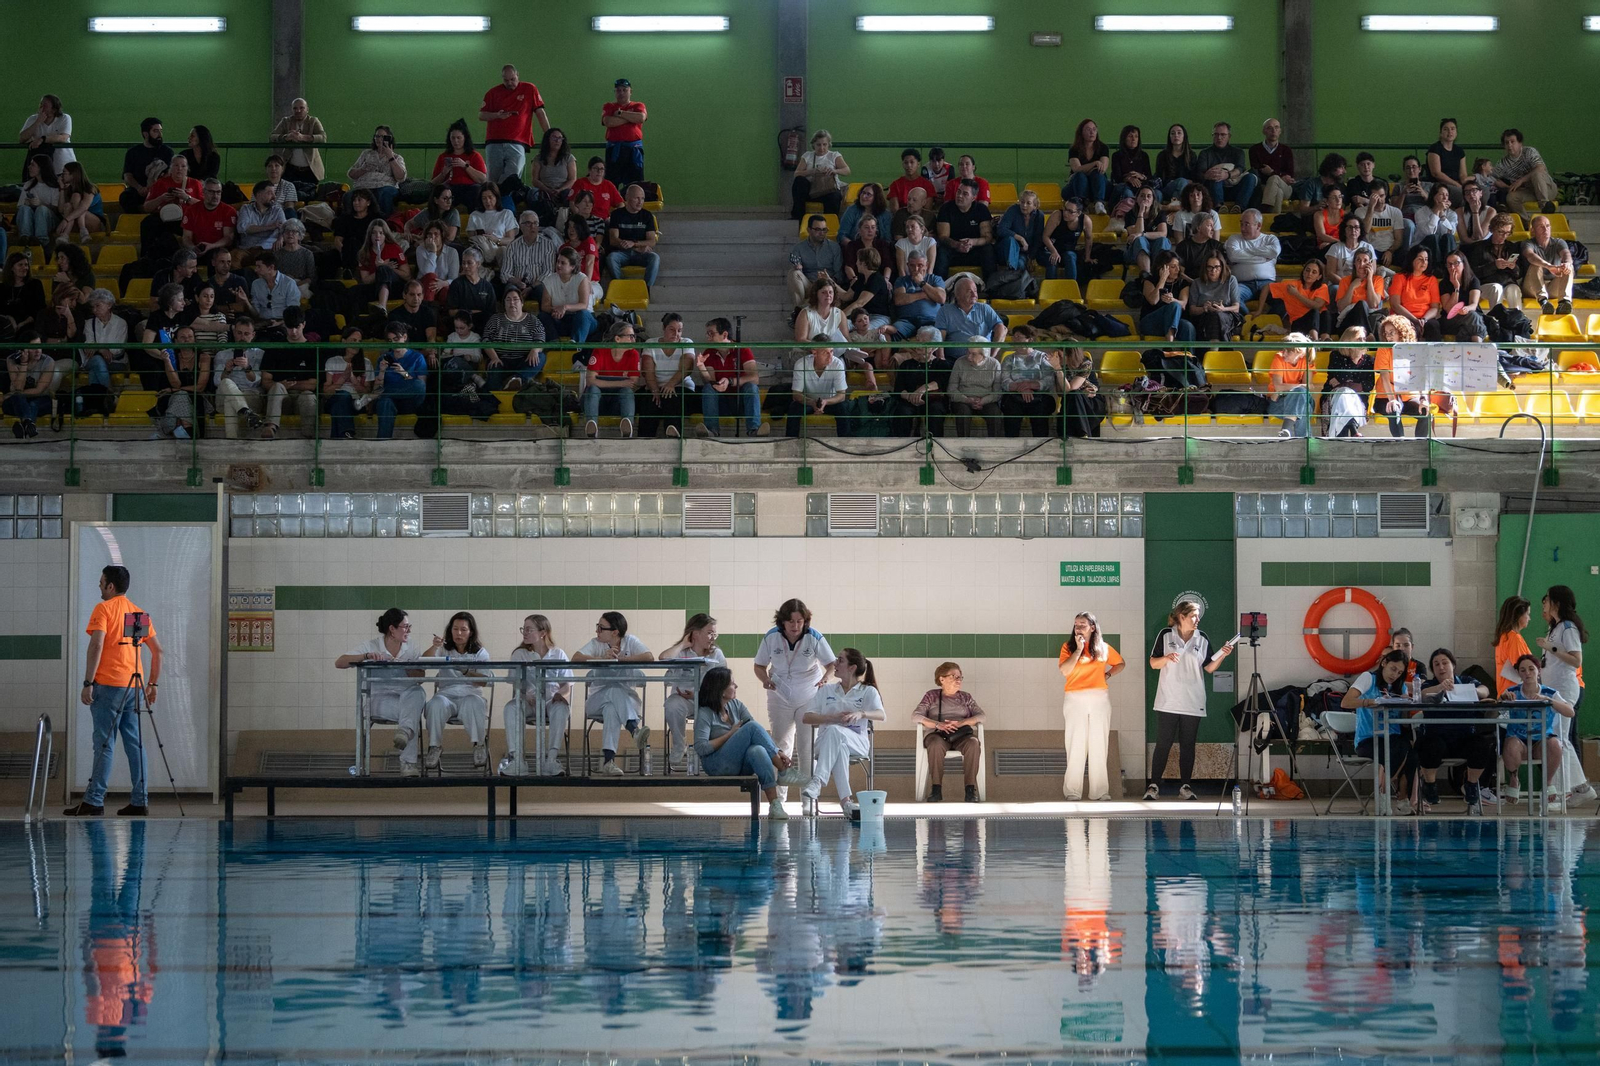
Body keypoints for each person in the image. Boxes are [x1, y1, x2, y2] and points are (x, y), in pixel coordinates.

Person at [65, 565, 163, 816]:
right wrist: (152, 684)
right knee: (134, 744)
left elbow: (97, 644)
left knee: (104, 744)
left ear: (110, 586)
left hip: (108, 686)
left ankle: (94, 800)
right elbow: (157, 651)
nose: (99, 587)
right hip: (134, 686)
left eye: (101, 583)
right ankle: (140, 801)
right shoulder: (136, 613)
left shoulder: (103, 609)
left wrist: (88, 683)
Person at [1145, 601, 1232, 800]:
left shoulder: (1202, 638)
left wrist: (1222, 656)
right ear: (1181, 617)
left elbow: (1209, 668)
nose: (1197, 619)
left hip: (1193, 700)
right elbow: (1153, 663)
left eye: (1198, 615)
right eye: (1193, 615)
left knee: (1188, 744)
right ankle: (1153, 786)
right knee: (1163, 743)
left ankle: (1185, 787)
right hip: (1168, 700)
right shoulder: (1165, 635)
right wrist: (1166, 658)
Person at [754, 599, 837, 799]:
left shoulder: (814, 637)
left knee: (807, 746)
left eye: (800, 621)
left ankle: (808, 799)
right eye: (791, 622)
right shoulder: (771, 637)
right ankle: (779, 800)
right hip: (779, 694)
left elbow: (832, 665)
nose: (796, 626)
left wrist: (826, 678)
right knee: (780, 745)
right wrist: (765, 679)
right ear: (782, 622)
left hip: (809, 694)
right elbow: (759, 665)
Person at [696, 667, 802, 820]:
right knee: (750, 727)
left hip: (738, 764)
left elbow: (758, 733)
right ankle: (783, 770)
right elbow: (701, 748)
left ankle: (775, 805)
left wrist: (778, 751)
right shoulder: (705, 713)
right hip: (716, 765)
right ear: (721, 690)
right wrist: (730, 734)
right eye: (732, 684)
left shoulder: (736, 705)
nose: (736, 686)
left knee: (757, 750)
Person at [336, 608, 426, 777]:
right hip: (379, 700)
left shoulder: (412, 646)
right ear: (392, 629)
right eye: (405, 627)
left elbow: (420, 677)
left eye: (409, 627)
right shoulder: (371, 646)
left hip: (406, 697)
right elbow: (340, 662)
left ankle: (404, 733)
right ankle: (408, 763)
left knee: (418, 693)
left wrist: (406, 667)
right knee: (411, 714)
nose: (408, 631)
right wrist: (367, 656)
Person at [799, 648, 885, 817]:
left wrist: (862, 713)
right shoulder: (826, 691)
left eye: (840, 660)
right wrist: (831, 718)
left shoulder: (868, 691)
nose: (835, 664)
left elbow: (881, 715)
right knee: (838, 743)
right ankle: (846, 802)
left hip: (857, 742)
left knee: (836, 734)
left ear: (852, 668)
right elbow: (806, 718)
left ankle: (817, 781)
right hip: (825, 743)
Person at [572, 611, 654, 775]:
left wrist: (621, 660)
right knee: (613, 690)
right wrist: (602, 658)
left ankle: (608, 762)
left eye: (601, 628)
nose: (597, 631)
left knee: (611, 708)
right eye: (598, 627)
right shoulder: (596, 644)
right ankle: (634, 730)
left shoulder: (630, 641)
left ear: (615, 632)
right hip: (596, 701)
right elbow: (575, 658)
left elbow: (649, 657)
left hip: (626, 704)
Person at [1413, 648, 1494, 812]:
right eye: (1436, 664)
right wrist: (1440, 688)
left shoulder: (1466, 680)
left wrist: (1471, 691)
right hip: (1437, 738)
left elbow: (1485, 690)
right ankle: (1429, 785)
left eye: (1445, 663)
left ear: (1453, 665)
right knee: (1428, 745)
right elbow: (1422, 694)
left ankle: (1471, 785)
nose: (1441, 667)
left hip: (1463, 738)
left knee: (1482, 745)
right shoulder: (1430, 684)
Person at [1058, 612, 1124, 801]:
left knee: (1099, 743)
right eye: (1076, 625)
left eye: (1083, 625)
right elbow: (1064, 670)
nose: (1078, 628)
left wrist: (1109, 674)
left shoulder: (1103, 648)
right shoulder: (1068, 647)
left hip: (1099, 698)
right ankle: (1072, 791)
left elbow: (1120, 663)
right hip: (1075, 698)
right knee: (1075, 743)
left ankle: (1100, 791)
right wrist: (1078, 650)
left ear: (1092, 628)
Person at [1339, 649, 1415, 810]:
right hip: (1368, 739)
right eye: (1393, 669)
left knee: (1411, 752)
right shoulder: (1368, 678)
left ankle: (1400, 797)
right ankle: (1386, 792)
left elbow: (1405, 721)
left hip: (1393, 736)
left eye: (1399, 672)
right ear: (1384, 663)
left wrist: (1406, 703)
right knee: (1400, 749)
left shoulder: (1400, 688)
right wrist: (1370, 702)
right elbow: (1346, 702)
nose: (1394, 675)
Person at [420, 611, 492, 772]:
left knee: (473, 703)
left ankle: (479, 745)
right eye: (455, 629)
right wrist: (435, 646)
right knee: (434, 704)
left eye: (463, 629)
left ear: (471, 632)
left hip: (470, 694)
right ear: (450, 630)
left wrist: (466, 671)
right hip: (446, 695)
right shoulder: (443, 649)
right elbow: (423, 662)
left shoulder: (480, 653)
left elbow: (485, 681)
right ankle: (434, 747)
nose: (458, 633)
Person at [1536, 585, 1589, 806]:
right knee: (1560, 739)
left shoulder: (1568, 628)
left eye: (1547, 599)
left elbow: (1576, 660)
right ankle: (1581, 788)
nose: (1545, 603)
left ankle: (1562, 791)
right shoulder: (1555, 627)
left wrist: (1551, 648)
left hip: (1565, 688)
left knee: (1559, 740)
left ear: (1556, 602)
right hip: (1552, 688)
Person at [503, 614, 572, 777]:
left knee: (562, 708)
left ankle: (551, 760)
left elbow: (567, 684)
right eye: (523, 629)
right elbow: (515, 682)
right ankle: (517, 760)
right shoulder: (519, 654)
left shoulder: (558, 654)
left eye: (529, 629)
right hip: (528, 701)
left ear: (543, 633)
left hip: (550, 700)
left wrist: (560, 695)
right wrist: (525, 695)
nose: (524, 633)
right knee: (510, 708)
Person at [1502, 654, 1574, 807]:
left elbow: (1570, 711)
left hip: (1541, 741)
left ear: (1538, 671)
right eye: (1522, 670)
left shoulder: (1549, 692)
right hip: (1518, 741)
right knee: (1511, 744)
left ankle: (1547, 782)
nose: (1527, 673)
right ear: (1519, 673)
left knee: (1556, 744)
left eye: (1531, 669)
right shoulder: (1512, 691)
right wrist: (1503, 699)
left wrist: (1548, 701)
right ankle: (1514, 779)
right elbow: (1495, 712)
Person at [658, 613, 726, 772]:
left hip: (707, 700)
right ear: (695, 633)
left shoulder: (716, 654)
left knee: (705, 717)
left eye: (714, 633)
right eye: (709, 633)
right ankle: (679, 745)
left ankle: (704, 750)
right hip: (683, 699)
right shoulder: (681, 652)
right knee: (672, 705)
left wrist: (699, 694)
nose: (712, 637)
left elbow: (723, 685)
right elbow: (663, 657)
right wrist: (682, 644)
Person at [912, 661, 985, 802]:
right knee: (935, 745)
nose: (958, 680)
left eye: (960, 677)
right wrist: (938, 724)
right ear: (942, 679)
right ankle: (936, 789)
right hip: (938, 735)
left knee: (973, 743)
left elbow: (982, 716)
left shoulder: (965, 697)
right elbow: (915, 716)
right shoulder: (931, 696)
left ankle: (970, 790)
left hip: (961, 736)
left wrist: (961, 723)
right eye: (954, 676)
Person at [480, 64, 549, 185]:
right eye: (506, 80)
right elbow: (482, 115)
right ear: (502, 79)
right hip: (494, 141)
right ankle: (494, 199)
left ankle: (504, 198)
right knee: (492, 179)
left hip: (517, 141)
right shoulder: (492, 93)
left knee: (513, 177)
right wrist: (497, 115)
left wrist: (549, 134)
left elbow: (540, 113)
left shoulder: (529, 89)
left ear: (518, 75)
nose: (509, 83)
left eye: (512, 79)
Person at [694, 317, 763, 436]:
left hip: (740, 401)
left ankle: (754, 430)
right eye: (707, 334)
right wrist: (701, 367)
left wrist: (731, 381)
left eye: (711, 333)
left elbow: (754, 378)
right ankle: (711, 431)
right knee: (708, 389)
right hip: (722, 402)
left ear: (724, 334)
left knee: (751, 387)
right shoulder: (708, 352)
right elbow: (711, 381)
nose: (707, 337)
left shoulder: (742, 349)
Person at [637, 312, 696, 438]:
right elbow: (648, 370)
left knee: (671, 398)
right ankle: (644, 439)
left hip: (680, 388)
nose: (676, 334)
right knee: (650, 402)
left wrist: (670, 384)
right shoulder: (650, 343)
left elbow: (687, 367)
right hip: (656, 388)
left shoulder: (686, 342)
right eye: (672, 330)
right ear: (663, 328)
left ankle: (673, 435)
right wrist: (654, 390)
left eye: (679, 330)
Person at [999, 326, 1063, 436]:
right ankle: (1010, 445)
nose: (1015, 340)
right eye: (1014, 337)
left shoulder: (1042, 357)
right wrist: (1022, 388)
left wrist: (1030, 386)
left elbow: (1048, 380)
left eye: (1019, 337)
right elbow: (1005, 381)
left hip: (1039, 396)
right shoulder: (1009, 359)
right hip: (1015, 395)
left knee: (1040, 410)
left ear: (1030, 339)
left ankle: (1040, 445)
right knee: (1011, 409)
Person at [582, 321, 641, 437]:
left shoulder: (633, 354)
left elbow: (633, 383)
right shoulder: (600, 350)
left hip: (617, 402)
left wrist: (604, 383)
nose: (633, 340)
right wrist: (621, 383)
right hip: (599, 401)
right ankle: (592, 425)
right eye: (630, 336)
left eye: (634, 336)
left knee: (627, 392)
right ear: (617, 339)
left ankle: (627, 426)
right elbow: (590, 381)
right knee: (593, 389)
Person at [481, 287, 545, 391]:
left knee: (540, 357)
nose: (512, 302)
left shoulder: (532, 320)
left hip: (524, 360)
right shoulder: (495, 319)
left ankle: (518, 378)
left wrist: (534, 350)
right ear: (504, 304)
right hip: (500, 360)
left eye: (515, 299)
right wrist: (494, 357)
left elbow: (540, 339)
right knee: (493, 377)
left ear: (522, 303)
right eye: (508, 299)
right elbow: (486, 340)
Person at [374, 321, 428, 439]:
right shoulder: (383, 358)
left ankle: (380, 395)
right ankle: (382, 443)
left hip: (410, 401)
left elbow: (421, 386)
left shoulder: (417, 357)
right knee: (384, 402)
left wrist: (404, 373)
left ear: (404, 337)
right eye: (390, 340)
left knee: (419, 385)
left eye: (396, 339)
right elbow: (376, 387)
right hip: (391, 400)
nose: (394, 343)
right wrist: (382, 371)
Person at [786, 338, 849, 436]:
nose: (830, 356)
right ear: (814, 353)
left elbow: (842, 395)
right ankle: (790, 443)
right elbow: (796, 394)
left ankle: (845, 444)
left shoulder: (837, 364)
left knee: (843, 407)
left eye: (831, 351)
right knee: (794, 407)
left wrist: (826, 401)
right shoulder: (801, 364)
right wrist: (811, 402)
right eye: (825, 353)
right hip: (808, 402)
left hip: (830, 403)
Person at [1492, 128, 1559, 220]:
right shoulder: (1502, 163)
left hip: (1547, 189)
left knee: (1536, 173)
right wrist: (1507, 187)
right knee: (1511, 197)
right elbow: (1493, 178)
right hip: (1529, 192)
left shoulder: (1529, 151)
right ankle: (1527, 221)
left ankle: (1545, 206)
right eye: (1507, 143)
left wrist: (1521, 180)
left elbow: (1540, 168)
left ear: (1520, 143)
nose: (1510, 145)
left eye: (1512, 142)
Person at [321, 327, 373, 440]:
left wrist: (353, 378)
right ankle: (346, 433)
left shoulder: (366, 363)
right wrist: (342, 378)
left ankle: (340, 437)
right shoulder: (332, 361)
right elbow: (326, 393)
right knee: (343, 396)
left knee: (338, 408)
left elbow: (367, 392)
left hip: (357, 403)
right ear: (344, 341)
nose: (356, 344)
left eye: (359, 342)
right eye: (353, 340)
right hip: (336, 398)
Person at [934, 275, 1006, 357]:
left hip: (982, 360)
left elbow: (1000, 327)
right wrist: (941, 359)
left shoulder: (985, 308)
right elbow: (939, 337)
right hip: (955, 361)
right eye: (969, 291)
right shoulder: (945, 311)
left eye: (975, 291)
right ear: (957, 295)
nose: (974, 294)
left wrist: (992, 355)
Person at [935, 179, 995, 276]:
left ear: (973, 198)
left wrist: (973, 242)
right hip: (953, 249)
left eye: (965, 194)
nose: (959, 196)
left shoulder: (981, 209)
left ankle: (991, 287)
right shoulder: (946, 209)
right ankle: (940, 287)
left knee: (988, 250)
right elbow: (943, 236)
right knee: (941, 251)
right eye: (958, 191)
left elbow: (987, 237)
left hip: (974, 249)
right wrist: (957, 245)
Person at [605, 183, 661, 288]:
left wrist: (634, 244)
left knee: (655, 258)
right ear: (627, 198)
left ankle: (646, 288)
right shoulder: (617, 215)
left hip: (641, 253)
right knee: (611, 258)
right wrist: (626, 244)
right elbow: (613, 239)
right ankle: (621, 285)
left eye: (642, 199)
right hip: (622, 252)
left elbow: (652, 241)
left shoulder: (647, 216)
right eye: (636, 198)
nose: (640, 202)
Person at [4, 334, 60, 438]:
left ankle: (23, 425)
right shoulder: (11, 360)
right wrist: (24, 364)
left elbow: (39, 390)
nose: (38, 350)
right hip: (18, 401)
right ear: (23, 349)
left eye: (39, 346)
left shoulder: (48, 361)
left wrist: (12, 394)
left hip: (41, 399)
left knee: (33, 404)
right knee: (16, 401)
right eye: (33, 348)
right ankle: (29, 425)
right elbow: (19, 387)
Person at [946, 340, 1004, 437]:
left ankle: (995, 445)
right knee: (963, 412)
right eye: (968, 352)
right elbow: (951, 389)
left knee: (995, 413)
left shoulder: (994, 364)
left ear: (983, 355)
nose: (969, 357)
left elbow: (998, 392)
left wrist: (983, 401)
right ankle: (963, 444)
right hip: (963, 399)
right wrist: (967, 400)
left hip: (986, 400)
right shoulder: (960, 362)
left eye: (973, 354)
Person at [1195, 121, 1256, 213]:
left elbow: (1240, 169)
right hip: (1212, 190)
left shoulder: (1238, 152)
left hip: (1234, 188)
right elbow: (1200, 172)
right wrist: (1208, 175)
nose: (1219, 138)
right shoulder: (1205, 153)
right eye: (1216, 134)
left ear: (1229, 136)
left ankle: (1239, 207)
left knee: (1251, 177)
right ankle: (1219, 207)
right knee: (1216, 176)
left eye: (1223, 135)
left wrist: (1227, 175)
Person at [787, 213, 845, 309]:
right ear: (809, 230)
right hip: (809, 284)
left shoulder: (834, 247)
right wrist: (798, 268)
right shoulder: (799, 248)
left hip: (827, 284)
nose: (821, 233)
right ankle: (798, 309)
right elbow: (797, 271)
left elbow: (839, 275)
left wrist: (828, 279)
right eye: (818, 229)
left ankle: (801, 309)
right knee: (793, 273)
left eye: (824, 230)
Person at [539, 247, 596, 343]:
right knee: (543, 316)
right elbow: (544, 306)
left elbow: (583, 305)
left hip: (583, 321)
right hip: (561, 319)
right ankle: (554, 343)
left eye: (563, 263)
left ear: (572, 266)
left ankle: (575, 345)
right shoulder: (549, 279)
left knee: (583, 314)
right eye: (558, 261)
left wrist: (565, 307)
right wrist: (556, 311)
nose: (558, 265)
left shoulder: (582, 279)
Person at [346, 125, 406, 216]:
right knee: (348, 196)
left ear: (389, 139)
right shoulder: (366, 153)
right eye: (377, 136)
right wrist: (363, 169)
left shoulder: (397, 157)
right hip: (364, 186)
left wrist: (390, 157)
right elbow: (351, 174)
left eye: (383, 137)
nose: (379, 139)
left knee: (385, 194)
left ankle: (383, 224)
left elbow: (401, 177)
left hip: (385, 186)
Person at [1469, 213, 1524, 310]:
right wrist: (1494, 266)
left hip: (1507, 283)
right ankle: (1497, 320)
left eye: (1508, 233)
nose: (1504, 236)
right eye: (1501, 232)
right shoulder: (1479, 247)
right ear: (1492, 230)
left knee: (1513, 289)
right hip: (1486, 284)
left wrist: (1513, 267)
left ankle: (1517, 320)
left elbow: (1518, 274)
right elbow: (1473, 273)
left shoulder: (1512, 247)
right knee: (1496, 288)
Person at [790, 130, 850, 220]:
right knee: (799, 181)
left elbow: (847, 170)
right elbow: (797, 174)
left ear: (828, 144)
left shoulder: (834, 155)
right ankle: (798, 217)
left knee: (834, 197)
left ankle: (830, 222)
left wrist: (834, 171)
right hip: (811, 191)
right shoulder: (807, 156)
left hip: (828, 191)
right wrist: (812, 171)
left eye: (824, 144)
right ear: (813, 145)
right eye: (818, 145)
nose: (821, 148)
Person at [1522, 214, 1575, 316]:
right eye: (1541, 227)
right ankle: (1543, 301)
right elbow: (1531, 256)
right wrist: (1548, 266)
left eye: (1547, 226)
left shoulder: (1559, 242)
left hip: (1552, 286)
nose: (1545, 229)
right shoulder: (1527, 243)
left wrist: (1567, 263)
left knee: (1569, 267)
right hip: (1532, 287)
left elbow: (1566, 254)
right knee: (1535, 265)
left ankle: (1564, 303)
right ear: (1533, 230)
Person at [1223, 209, 1279, 304]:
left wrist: (1244, 252)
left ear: (1258, 226)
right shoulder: (1234, 239)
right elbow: (1233, 256)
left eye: (1247, 224)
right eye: (1241, 224)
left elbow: (1274, 252)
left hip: (1267, 283)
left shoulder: (1270, 239)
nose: (1242, 228)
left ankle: (1272, 318)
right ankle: (1245, 318)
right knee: (1231, 296)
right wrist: (1262, 258)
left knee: (1283, 298)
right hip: (1243, 284)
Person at [500, 210, 562, 295]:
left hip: (537, 284)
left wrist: (531, 287)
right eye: (528, 223)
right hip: (518, 284)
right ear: (521, 227)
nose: (533, 226)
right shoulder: (512, 246)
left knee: (542, 290)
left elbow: (548, 272)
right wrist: (517, 282)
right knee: (511, 290)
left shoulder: (548, 244)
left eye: (535, 223)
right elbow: (505, 273)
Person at [1266, 259, 1332, 339]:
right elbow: (1267, 287)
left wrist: (1297, 294)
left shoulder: (1322, 287)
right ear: (1303, 272)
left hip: (1316, 324)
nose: (1309, 274)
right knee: (1314, 312)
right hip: (1298, 324)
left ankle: (1325, 339)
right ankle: (1315, 341)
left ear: (1319, 277)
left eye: (1314, 272)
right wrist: (1259, 310)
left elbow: (1317, 305)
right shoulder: (1292, 285)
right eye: (1307, 270)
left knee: (1325, 313)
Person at [1184, 253, 1242, 342]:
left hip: (1226, 315)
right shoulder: (1197, 283)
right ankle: (1216, 350)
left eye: (1217, 267)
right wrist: (1204, 308)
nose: (1213, 270)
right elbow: (1192, 310)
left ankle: (1213, 349)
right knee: (1213, 316)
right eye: (1209, 267)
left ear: (1222, 267)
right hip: (1204, 317)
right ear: (1205, 267)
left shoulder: (1231, 280)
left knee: (1216, 315)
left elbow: (1236, 307)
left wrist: (1223, 309)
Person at [601, 78, 648, 187]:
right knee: (611, 183)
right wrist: (631, 118)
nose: (621, 93)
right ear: (615, 92)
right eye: (618, 90)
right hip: (614, 150)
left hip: (634, 150)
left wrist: (620, 113)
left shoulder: (638, 105)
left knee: (636, 183)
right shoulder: (609, 106)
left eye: (624, 90)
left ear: (630, 91)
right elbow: (608, 122)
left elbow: (641, 118)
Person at [269, 97, 326, 186]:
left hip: (311, 170)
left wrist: (303, 137)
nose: (298, 110)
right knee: (289, 196)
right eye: (295, 108)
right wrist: (286, 137)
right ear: (292, 110)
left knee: (311, 196)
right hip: (290, 169)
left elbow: (323, 138)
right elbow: (272, 137)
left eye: (301, 108)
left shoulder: (313, 121)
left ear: (307, 109)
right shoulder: (286, 121)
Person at [121, 117, 173, 214]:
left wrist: (154, 186)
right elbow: (127, 176)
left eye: (160, 131)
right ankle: (147, 209)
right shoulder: (133, 152)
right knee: (126, 197)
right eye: (156, 131)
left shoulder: (167, 152)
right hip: (140, 191)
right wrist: (139, 188)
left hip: (160, 190)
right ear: (146, 134)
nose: (160, 135)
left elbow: (169, 174)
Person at [1139, 251, 1193, 342]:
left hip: (1173, 322)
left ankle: (1189, 356)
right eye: (1173, 267)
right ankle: (1169, 344)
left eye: (1178, 266)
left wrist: (1173, 300)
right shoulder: (1149, 281)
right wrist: (1162, 279)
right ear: (1162, 268)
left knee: (1188, 326)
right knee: (1174, 305)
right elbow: (1153, 301)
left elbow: (1183, 304)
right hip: (1151, 323)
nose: (1177, 269)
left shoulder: (1182, 283)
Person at [1388, 249, 1441, 340]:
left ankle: (1436, 354)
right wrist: (1415, 320)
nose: (1424, 262)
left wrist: (1424, 320)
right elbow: (1395, 305)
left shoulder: (1432, 280)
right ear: (1411, 260)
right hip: (1404, 317)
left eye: (1426, 259)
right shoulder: (1399, 277)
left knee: (1433, 325)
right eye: (1420, 259)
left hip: (1425, 318)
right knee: (1410, 328)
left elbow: (1435, 308)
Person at [1268, 335, 1313, 437]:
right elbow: (1278, 387)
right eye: (1284, 349)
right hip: (1279, 403)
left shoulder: (1307, 361)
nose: (1284, 353)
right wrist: (1300, 386)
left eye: (1288, 351)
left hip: (1298, 401)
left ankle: (1286, 429)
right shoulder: (1278, 358)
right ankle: (1305, 445)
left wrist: (1297, 388)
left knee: (1301, 395)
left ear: (1300, 353)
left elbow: (1308, 387)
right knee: (1304, 406)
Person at [431, 121, 489, 201]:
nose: (456, 141)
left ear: (465, 138)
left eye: (459, 138)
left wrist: (465, 166)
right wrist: (443, 173)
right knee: (441, 192)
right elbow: (433, 183)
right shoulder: (443, 157)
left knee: (477, 190)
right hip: (450, 188)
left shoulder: (475, 156)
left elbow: (483, 179)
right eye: (453, 138)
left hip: (470, 188)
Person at [1334, 249, 1387, 335]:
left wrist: (1369, 279)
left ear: (1370, 263)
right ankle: (1369, 336)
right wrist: (1352, 287)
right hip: (1349, 322)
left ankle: (1369, 337)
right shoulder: (1345, 280)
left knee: (1365, 307)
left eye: (1365, 260)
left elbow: (1373, 304)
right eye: (1358, 260)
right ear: (1354, 263)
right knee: (1361, 304)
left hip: (1369, 320)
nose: (1361, 264)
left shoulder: (1378, 280)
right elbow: (1341, 307)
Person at [1437, 250, 1487, 342]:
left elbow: (1474, 304)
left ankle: (1471, 351)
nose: (1452, 267)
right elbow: (1448, 309)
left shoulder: (1473, 281)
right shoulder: (1444, 284)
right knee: (1472, 319)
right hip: (1450, 320)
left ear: (1464, 264)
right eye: (1449, 264)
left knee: (1469, 323)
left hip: (1470, 317)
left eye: (1456, 263)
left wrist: (1466, 309)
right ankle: (1479, 350)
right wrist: (1456, 288)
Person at [997, 188, 1049, 273]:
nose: (1024, 205)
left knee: (1020, 264)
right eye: (1022, 202)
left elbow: (1038, 239)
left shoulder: (1039, 216)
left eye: (1028, 203)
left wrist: (1031, 258)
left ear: (1035, 206)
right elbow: (1001, 229)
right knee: (1010, 240)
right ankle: (1011, 270)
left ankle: (1012, 274)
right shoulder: (1013, 210)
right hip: (1006, 249)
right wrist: (1020, 238)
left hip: (1024, 253)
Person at [183, 178, 237, 259]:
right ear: (203, 192)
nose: (215, 196)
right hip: (196, 250)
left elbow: (228, 238)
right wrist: (193, 248)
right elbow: (186, 237)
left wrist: (211, 246)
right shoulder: (191, 210)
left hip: (218, 250)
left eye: (218, 192)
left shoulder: (228, 211)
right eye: (211, 192)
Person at [1122, 186, 1169, 277]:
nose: (1145, 198)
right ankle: (1147, 276)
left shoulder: (1159, 214)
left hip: (1155, 249)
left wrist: (1143, 234)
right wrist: (1141, 213)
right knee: (1140, 240)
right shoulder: (1130, 214)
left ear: (1153, 200)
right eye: (1142, 196)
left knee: (1163, 240)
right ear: (1137, 199)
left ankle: (1158, 274)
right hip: (1135, 253)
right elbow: (1136, 234)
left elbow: (1163, 233)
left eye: (1148, 196)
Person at [1250, 117, 1295, 212]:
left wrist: (1271, 173)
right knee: (1278, 192)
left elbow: (1289, 175)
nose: (1273, 130)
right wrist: (1280, 175)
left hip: (1285, 186)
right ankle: (1274, 221)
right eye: (1269, 128)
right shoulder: (1255, 150)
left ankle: (1265, 206)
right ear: (1264, 131)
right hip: (1263, 186)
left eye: (1276, 127)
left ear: (1280, 131)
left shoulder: (1286, 150)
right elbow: (1257, 171)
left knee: (1274, 178)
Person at [19, 94, 73, 173]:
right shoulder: (32, 119)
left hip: (62, 163)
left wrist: (42, 139)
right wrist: (38, 122)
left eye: (44, 105)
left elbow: (63, 138)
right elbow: (22, 138)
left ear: (54, 109)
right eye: (40, 104)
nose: (41, 107)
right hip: (41, 167)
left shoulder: (64, 118)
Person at [467, 183, 518, 267]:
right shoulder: (475, 215)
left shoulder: (506, 213)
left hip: (498, 246)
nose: (487, 201)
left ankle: (504, 277)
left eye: (490, 197)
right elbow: (471, 238)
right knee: (471, 254)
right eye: (484, 198)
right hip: (481, 247)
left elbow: (511, 239)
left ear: (496, 197)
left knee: (503, 251)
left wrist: (496, 240)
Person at [1065, 119, 1110, 212]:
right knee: (1080, 176)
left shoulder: (1103, 148)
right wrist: (1094, 163)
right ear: (1081, 132)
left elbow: (1103, 169)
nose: (1092, 132)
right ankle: (1081, 204)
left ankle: (1099, 203)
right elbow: (1076, 169)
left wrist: (1087, 169)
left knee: (1097, 173)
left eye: (1094, 129)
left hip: (1098, 186)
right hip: (1077, 186)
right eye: (1088, 129)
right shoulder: (1074, 149)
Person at [1411, 183, 1458, 267]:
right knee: (1433, 237)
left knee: (1449, 237)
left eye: (1447, 195)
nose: (1445, 198)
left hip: (1443, 249)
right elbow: (1429, 232)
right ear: (1433, 196)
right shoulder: (1421, 212)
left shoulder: (1452, 214)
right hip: (1423, 246)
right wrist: (1436, 211)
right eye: (1441, 194)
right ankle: (1436, 268)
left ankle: (1450, 266)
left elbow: (1450, 232)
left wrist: (1442, 214)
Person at [16, 154, 60, 244]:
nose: (29, 167)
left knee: (41, 210)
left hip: (49, 219)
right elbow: (19, 207)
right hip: (31, 217)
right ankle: (25, 237)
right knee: (24, 208)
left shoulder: (55, 186)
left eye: (33, 165)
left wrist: (41, 204)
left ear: (41, 168)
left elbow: (57, 209)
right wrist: (26, 203)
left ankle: (41, 240)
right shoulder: (29, 184)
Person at [1495, 595, 1534, 696]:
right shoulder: (1514, 638)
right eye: (1527, 614)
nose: (1529, 618)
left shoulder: (1504, 636)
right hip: (1516, 695)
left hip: (1506, 693)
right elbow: (1523, 668)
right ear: (1518, 616)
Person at [249, 251, 301, 327]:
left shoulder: (289, 283)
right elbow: (256, 311)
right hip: (263, 322)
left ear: (271, 268)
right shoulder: (256, 284)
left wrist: (280, 323)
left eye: (259, 266)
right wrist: (245, 301)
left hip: (284, 323)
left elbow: (293, 312)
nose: (255, 270)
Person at [1361, 185, 1406, 270]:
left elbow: (1399, 239)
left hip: (1391, 249)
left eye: (1381, 196)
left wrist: (1390, 251)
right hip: (1371, 249)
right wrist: (1371, 207)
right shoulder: (1360, 211)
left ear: (1385, 196)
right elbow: (1365, 230)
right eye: (1375, 197)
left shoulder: (1395, 212)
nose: (1379, 200)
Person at [1109, 124, 1155, 206]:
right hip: (1124, 186)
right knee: (1127, 193)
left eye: (1136, 136)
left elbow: (1149, 176)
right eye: (1130, 136)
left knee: (1157, 193)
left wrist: (1141, 176)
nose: (1134, 139)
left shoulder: (1144, 155)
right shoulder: (1117, 156)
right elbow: (1117, 177)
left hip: (1141, 186)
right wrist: (1128, 178)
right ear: (1124, 139)